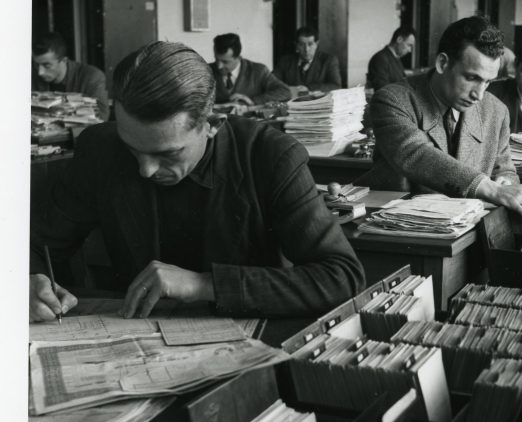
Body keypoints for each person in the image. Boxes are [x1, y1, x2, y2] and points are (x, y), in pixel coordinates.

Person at [29, 41, 365, 322]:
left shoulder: (271, 157)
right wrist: (28, 282)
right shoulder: (101, 148)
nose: (145, 170)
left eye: (168, 154)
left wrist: (205, 285)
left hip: (245, 341)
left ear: (213, 124)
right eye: (133, 149)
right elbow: (36, 245)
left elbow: (341, 277)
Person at [361, 16, 522, 225]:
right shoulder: (394, 99)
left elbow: (504, 169)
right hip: (398, 231)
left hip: (467, 232)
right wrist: (490, 189)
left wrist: (504, 183)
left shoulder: (497, 110)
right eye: (471, 78)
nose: (479, 94)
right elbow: (416, 153)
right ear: (442, 63)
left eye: (487, 82)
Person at [32, 31, 110, 120]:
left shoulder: (92, 76)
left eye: (47, 65)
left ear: (64, 60)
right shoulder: (30, 75)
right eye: (36, 65)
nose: (40, 72)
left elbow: (101, 118)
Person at [209, 32, 290, 104]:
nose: (219, 66)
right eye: (216, 59)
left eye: (225, 62)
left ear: (238, 57)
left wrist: (253, 100)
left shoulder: (258, 70)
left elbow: (284, 91)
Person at [274, 25, 342, 88]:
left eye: (310, 44)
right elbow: (272, 83)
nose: (306, 49)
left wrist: (307, 88)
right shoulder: (285, 61)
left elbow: (335, 85)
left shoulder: (328, 60)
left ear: (316, 44)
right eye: (301, 44)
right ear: (296, 45)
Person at [366, 27, 416, 91]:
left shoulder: (396, 58)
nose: (410, 50)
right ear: (399, 39)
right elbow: (383, 90)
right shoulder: (380, 59)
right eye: (409, 45)